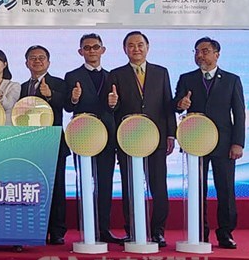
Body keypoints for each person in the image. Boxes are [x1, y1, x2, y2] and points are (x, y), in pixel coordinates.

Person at [175, 36, 245, 249]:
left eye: (205, 51)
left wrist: (238, 143)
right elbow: (175, 107)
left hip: (224, 144)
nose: (200, 55)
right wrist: (181, 103)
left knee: (225, 189)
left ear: (217, 54)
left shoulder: (232, 80)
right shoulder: (186, 78)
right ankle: (199, 232)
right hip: (195, 142)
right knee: (198, 189)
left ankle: (225, 233)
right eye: (196, 51)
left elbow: (239, 113)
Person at [107, 30, 175, 247]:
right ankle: (134, 230)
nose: (136, 49)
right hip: (128, 138)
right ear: (124, 49)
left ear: (147, 47)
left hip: (156, 137)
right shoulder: (116, 74)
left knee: (158, 185)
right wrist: (113, 103)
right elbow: (113, 108)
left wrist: (170, 134)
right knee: (130, 187)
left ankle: (158, 231)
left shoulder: (161, 72)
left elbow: (167, 106)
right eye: (131, 45)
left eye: (140, 45)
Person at [63, 33, 126, 245]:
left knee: (105, 183)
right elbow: (68, 106)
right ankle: (87, 226)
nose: (91, 51)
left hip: (107, 135)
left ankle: (104, 229)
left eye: (95, 47)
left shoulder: (113, 76)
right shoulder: (72, 76)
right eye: (87, 48)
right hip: (82, 134)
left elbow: (117, 108)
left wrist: (113, 103)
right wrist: (74, 98)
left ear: (103, 50)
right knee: (85, 181)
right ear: (80, 51)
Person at [20, 44, 68, 245]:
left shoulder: (59, 82)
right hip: (30, 145)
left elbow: (66, 104)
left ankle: (57, 231)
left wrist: (50, 95)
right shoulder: (22, 87)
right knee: (33, 187)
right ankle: (36, 228)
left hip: (54, 140)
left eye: (41, 58)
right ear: (26, 63)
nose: (37, 61)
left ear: (48, 62)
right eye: (33, 58)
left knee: (56, 187)